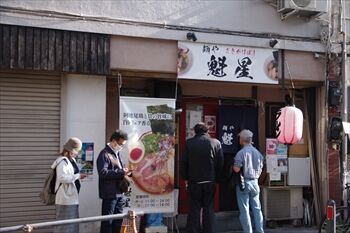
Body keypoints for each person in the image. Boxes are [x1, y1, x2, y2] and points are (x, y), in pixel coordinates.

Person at [180, 122, 224, 233]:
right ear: (207, 130)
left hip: (194, 181)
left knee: (194, 208)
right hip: (210, 181)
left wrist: (185, 178)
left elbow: (183, 162)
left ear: (195, 131)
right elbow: (220, 163)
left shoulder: (189, 143)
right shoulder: (216, 143)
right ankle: (209, 230)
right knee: (209, 208)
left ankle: (193, 230)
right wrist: (217, 179)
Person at [97, 130, 131, 233]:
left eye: (123, 145)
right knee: (108, 222)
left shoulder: (117, 154)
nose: (121, 146)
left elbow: (121, 170)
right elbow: (103, 173)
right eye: (120, 144)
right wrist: (121, 172)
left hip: (120, 192)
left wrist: (128, 172)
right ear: (113, 141)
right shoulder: (104, 154)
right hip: (110, 194)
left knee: (118, 221)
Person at [52, 137, 87, 233]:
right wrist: (78, 176)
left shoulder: (71, 160)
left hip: (72, 198)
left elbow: (71, 176)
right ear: (70, 150)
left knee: (72, 225)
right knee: (64, 226)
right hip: (65, 199)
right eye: (77, 151)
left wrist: (79, 177)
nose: (77, 153)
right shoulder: (62, 162)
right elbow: (62, 178)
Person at [233, 130, 264, 233]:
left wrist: (232, 166)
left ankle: (248, 231)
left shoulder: (240, 153)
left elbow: (237, 169)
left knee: (245, 210)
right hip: (255, 182)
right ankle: (260, 230)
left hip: (244, 183)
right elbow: (261, 168)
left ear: (242, 140)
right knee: (257, 208)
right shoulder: (258, 153)